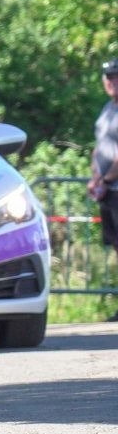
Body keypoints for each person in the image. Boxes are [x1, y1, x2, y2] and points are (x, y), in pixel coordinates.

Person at [88, 58, 118, 321]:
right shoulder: (107, 109)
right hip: (108, 189)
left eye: (116, 76)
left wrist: (106, 180)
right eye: (107, 76)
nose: (111, 81)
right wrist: (94, 179)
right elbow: (99, 146)